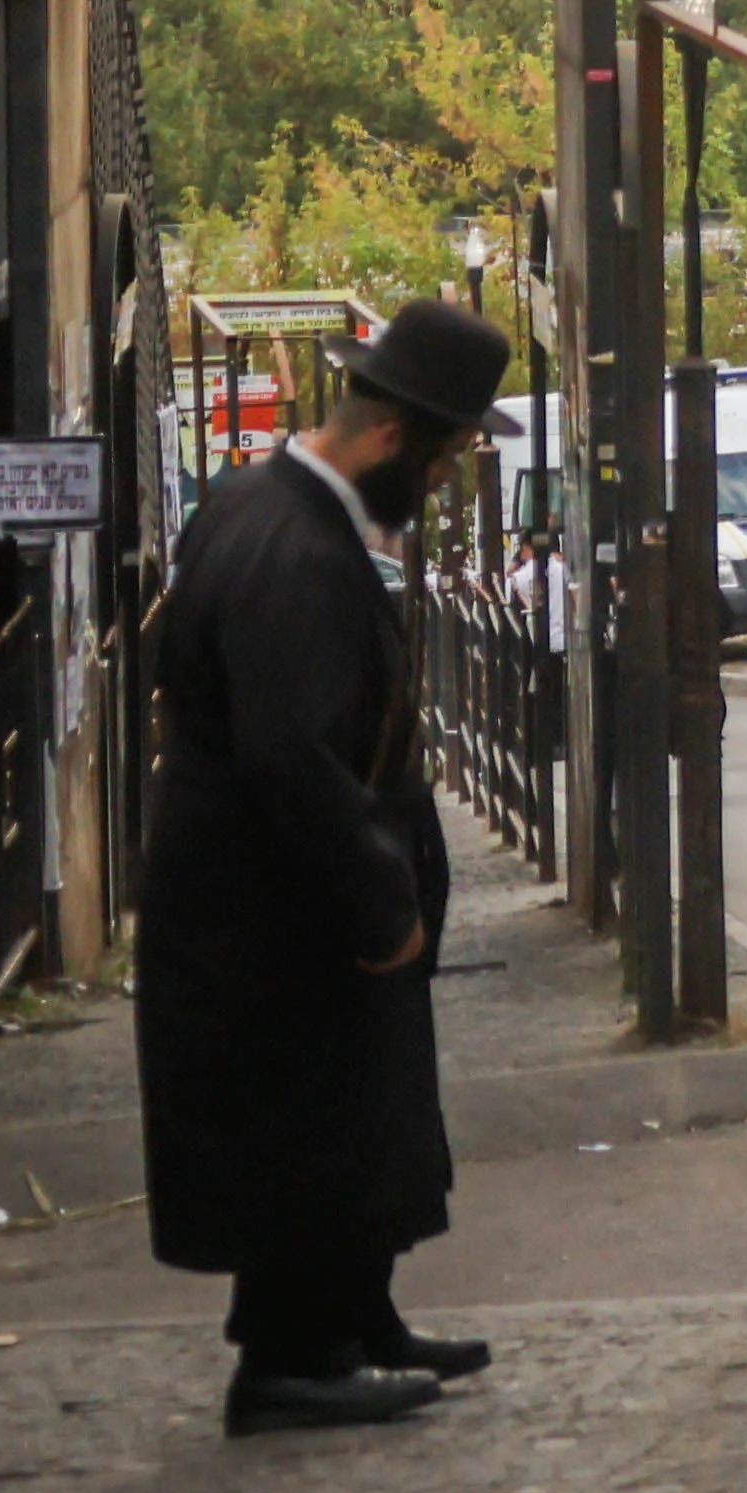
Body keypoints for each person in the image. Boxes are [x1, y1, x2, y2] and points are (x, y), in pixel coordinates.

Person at [139, 295, 507, 1435]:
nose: (438, 484)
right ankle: (294, 1356)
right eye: (441, 461)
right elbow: (291, 753)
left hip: (270, 894)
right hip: (275, 904)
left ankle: (353, 1316)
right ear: (392, 436)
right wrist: (377, 898)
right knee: (301, 1120)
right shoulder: (293, 548)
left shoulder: (259, 502)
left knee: (351, 1110)